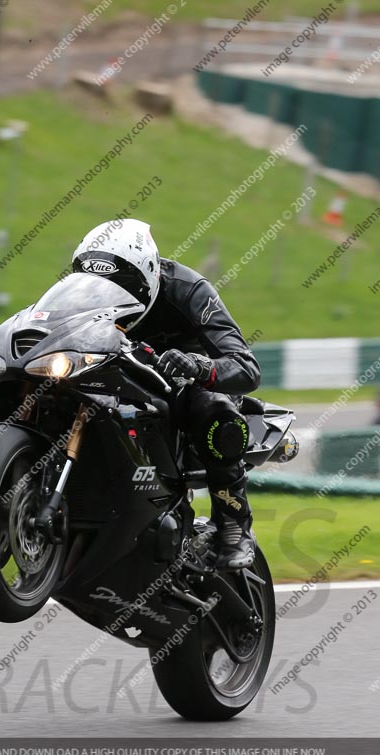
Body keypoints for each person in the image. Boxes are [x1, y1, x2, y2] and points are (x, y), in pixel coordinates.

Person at [72, 219, 260, 569]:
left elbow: (247, 368)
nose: (107, 292)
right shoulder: (79, 295)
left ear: (149, 275)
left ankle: (234, 524)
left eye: (120, 284)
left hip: (184, 388)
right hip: (115, 380)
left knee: (214, 410)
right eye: (95, 282)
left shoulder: (189, 290)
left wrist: (200, 367)